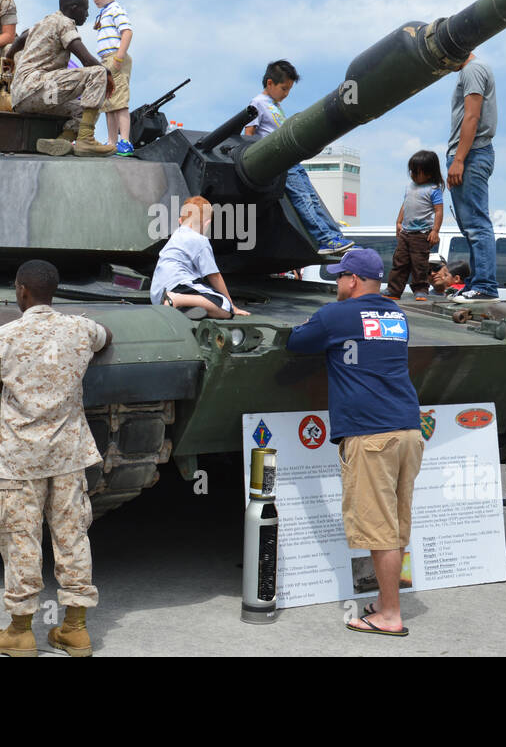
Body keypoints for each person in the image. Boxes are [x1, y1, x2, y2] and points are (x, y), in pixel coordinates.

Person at [286, 247, 424, 638]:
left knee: (379, 528)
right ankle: (384, 602)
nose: (336, 284)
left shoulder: (336, 315)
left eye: (339, 277)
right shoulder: (397, 315)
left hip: (370, 434)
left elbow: (297, 342)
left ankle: (390, 615)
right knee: (395, 525)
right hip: (408, 430)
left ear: (352, 280)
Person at [0, 260, 113, 657]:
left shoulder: (4, 336)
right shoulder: (80, 329)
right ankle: (74, 629)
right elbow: (107, 337)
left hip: (20, 459)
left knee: (20, 538)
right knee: (72, 535)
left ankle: (20, 632)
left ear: (21, 290)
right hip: (69, 454)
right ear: (53, 291)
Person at [241, 60, 354, 256]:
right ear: (270, 83)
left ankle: (334, 236)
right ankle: (324, 239)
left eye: (289, 90)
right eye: (284, 88)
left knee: (312, 198)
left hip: (292, 160)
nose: (286, 94)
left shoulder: (274, 105)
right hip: (279, 160)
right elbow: (249, 132)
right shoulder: (257, 103)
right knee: (303, 199)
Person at [13, 0, 115, 157]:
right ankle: (86, 140)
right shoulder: (64, 22)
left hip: (28, 97)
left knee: (81, 109)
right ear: (74, 8)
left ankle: (62, 141)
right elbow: (87, 60)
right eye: (85, 9)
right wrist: (108, 74)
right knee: (97, 72)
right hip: (37, 86)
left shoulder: (44, 22)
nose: (88, 14)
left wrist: (9, 58)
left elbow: (20, 39)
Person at [446, 53, 499, 303]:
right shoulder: (474, 69)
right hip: (473, 153)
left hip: (471, 154)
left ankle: (485, 286)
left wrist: (459, 159)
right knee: (472, 226)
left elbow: (472, 116)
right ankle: (478, 282)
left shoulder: (472, 70)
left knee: (477, 225)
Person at [150, 196, 250, 319]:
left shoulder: (177, 235)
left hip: (157, 293)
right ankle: (177, 300)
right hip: (177, 286)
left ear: (181, 221)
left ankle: (183, 306)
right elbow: (214, 275)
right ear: (207, 224)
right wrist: (232, 305)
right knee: (225, 309)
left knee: (205, 298)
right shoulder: (200, 240)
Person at [386, 150, 444, 299]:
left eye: (417, 172)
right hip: (405, 232)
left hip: (421, 233)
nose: (412, 175)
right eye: (411, 171)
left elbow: (438, 211)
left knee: (419, 264)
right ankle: (394, 290)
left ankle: (420, 290)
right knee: (399, 262)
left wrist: (435, 231)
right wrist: (398, 222)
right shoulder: (409, 186)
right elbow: (405, 205)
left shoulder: (434, 189)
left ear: (429, 173)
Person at [89, 0, 135, 155]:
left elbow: (127, 32)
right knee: (108, 104)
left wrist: (119, 58)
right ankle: (112, 141)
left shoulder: (115, 9)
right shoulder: (103, 11)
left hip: (115, 57)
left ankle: (125, 140)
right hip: (105, 59)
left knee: (120, 102)